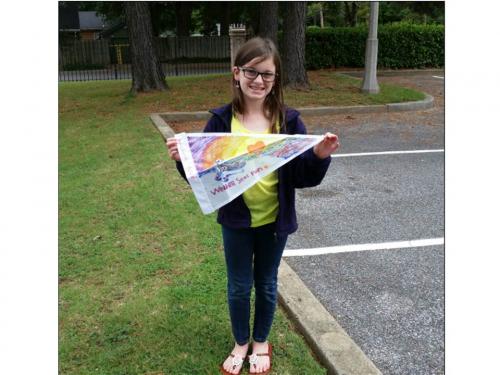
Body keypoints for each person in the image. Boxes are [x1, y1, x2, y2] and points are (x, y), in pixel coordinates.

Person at [166, 37, 340, 375]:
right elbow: (204, 176)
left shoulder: (289, 123)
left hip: (275, 222)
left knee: (267, 282)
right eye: (251, 72)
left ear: (276, 79)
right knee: (239, 285)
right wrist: (183, 161)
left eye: (267, 74)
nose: (259, 81)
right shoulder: (220, 121)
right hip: (236, 221)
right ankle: (241, 342)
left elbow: (303, 177)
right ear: (236, 73)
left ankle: (261, 341)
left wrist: (319, 156)